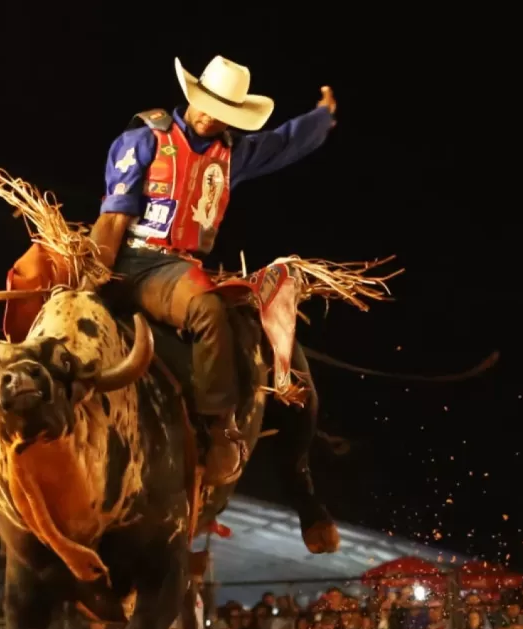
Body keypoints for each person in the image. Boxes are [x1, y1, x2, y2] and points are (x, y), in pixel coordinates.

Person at [87, 55, 338, 486]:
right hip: (134, 256)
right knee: (205, 306)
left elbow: (284, 142)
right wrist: (92, 278)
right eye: (206, 106)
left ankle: (218, 424)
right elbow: (113, 217)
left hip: (177, 267)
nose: (209, 118)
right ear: (192, 97)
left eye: (222, 113)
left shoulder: (232, 153)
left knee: (214, 309)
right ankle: (220, 424)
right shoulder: (146, 139)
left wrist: (321, 117)